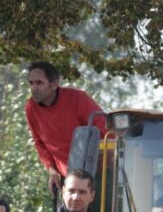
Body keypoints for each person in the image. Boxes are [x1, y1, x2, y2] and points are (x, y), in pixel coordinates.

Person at [25, 61, 107, 195]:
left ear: (54, 84)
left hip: (97, 173)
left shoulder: (77, 99)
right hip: (66, 177)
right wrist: (52, 170)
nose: (34, 88)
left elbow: (103, 129)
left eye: (39, 83)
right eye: (31, 83)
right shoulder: (30, 108)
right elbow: (39, 142)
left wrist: (97, 160)